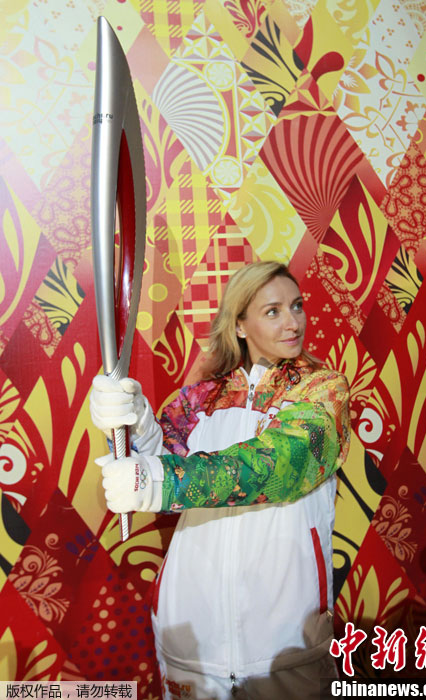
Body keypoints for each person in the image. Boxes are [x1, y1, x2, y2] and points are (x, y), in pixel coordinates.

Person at [90, 261, 350, 699]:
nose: (293, 322)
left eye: (297, 306)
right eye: (273, 311)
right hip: (193, 642)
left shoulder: (322, 392)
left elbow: (278, 465)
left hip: (285, 648)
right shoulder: (201, 398)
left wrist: (158, 480)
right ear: (241, 325)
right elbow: (165, 469)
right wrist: (135, 424)